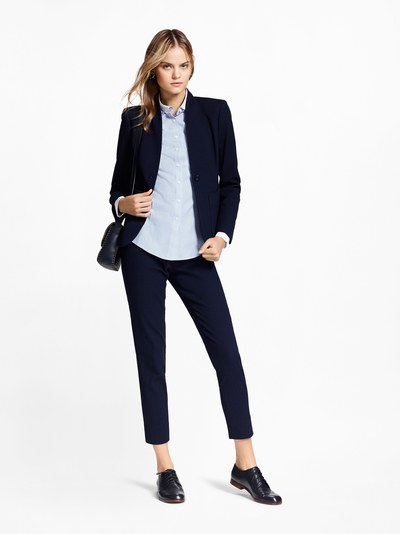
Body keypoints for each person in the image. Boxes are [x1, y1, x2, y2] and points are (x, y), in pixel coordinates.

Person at [108, 28, 282, 505]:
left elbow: (231, 184)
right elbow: (116, 189)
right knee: (152, 359)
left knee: (227, 354)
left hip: (195, 255)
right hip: (144, 253)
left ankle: (245, 464)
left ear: (192, 67)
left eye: (183, 65)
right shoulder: (134, 120)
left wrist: (221, 236)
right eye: (167, 66)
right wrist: (125, 203)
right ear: (154, 70)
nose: (176, 74)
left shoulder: (214, 114)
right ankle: (165, 466)